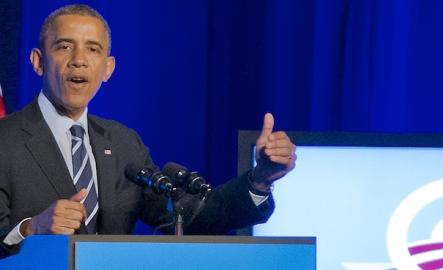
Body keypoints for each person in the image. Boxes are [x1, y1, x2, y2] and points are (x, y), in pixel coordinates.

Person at [0, 4, 296, 257]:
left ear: (108, 68)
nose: (79, 59)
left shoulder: (123, 142)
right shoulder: (5, 140)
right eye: (64, 46)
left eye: (93, 49)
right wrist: (31, 228)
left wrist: (259, 181)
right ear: (38, 61)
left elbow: (189, 219)